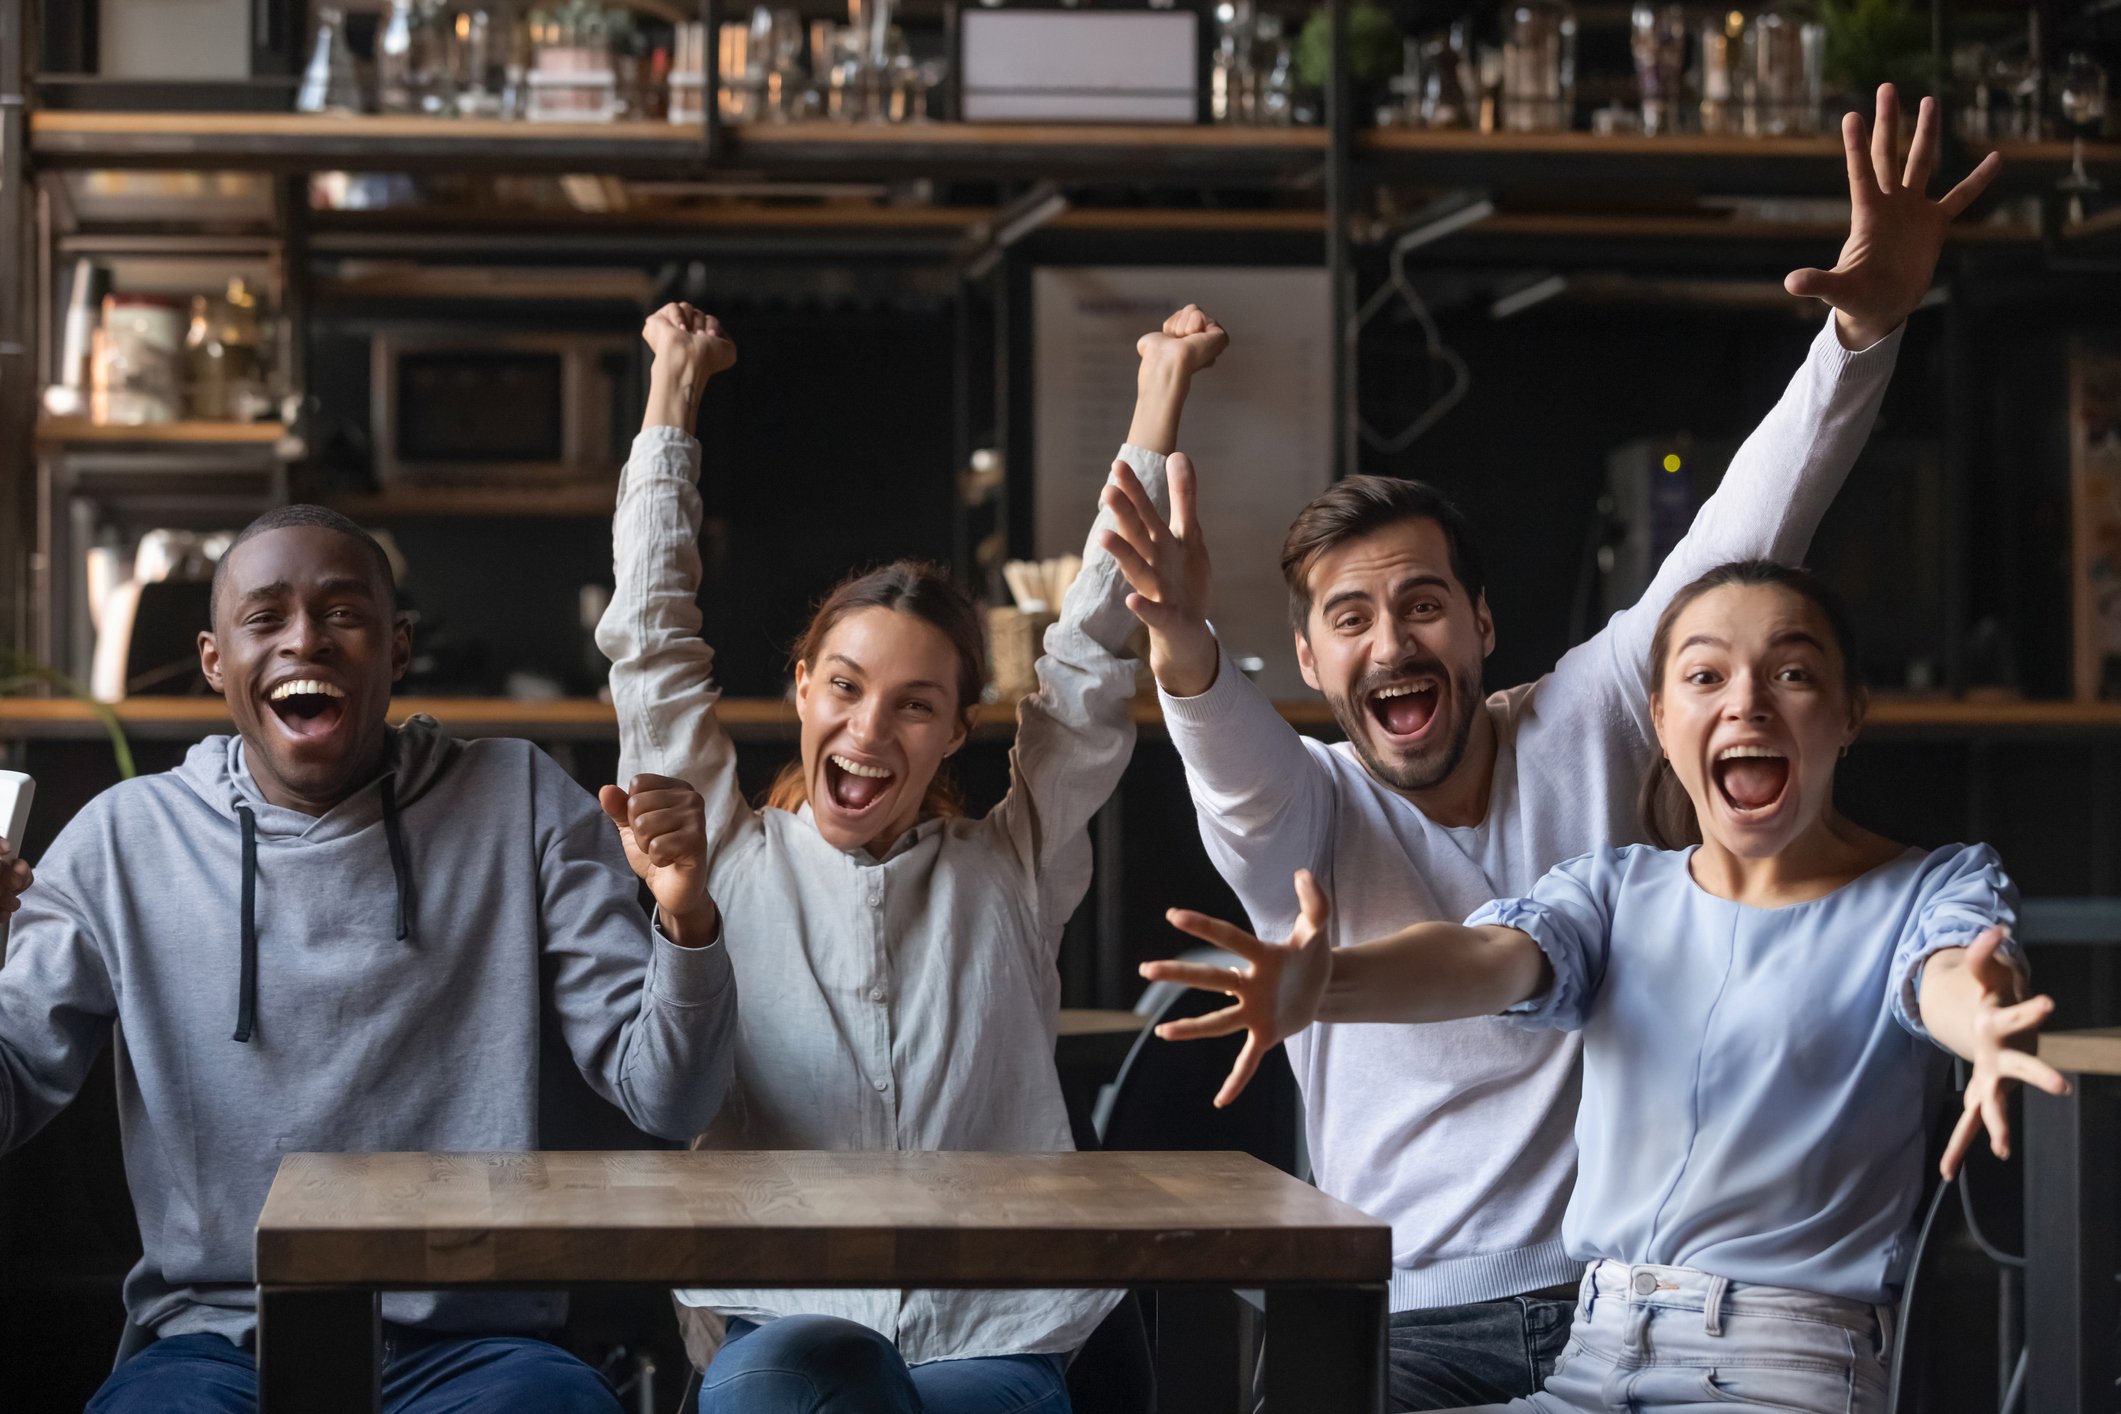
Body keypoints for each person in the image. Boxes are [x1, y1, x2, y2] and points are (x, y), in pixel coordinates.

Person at [1093, 85, 2001, 1409]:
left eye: (1420, 604)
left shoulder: (1580, 710)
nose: (1392, 642)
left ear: (1479, 623)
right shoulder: (1303, 803)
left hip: (1614, 1296)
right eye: (1349, 620)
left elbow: (1742, 540)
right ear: (1311, 663)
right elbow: (1225, 748)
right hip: (1394, 1308)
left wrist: (1860, 333)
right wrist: (1175, 632)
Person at [1143, 558, 2065, 1414]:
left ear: (1848, 712)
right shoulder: (1616, 890)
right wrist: (1327, 983)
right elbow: (1483, 958)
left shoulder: (1928, 888)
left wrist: (1977, 1018)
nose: (1746, 702)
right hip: (1589, 1361)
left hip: (1783, 1368)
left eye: (1790, 673)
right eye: (1705, 677)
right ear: (1662, 721)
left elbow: (1948, 972)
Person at [597, 300, 1227, 1413]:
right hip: (781, 1317)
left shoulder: (1013, 866)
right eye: (843, 688)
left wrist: (1158, 394)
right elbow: (651, 640)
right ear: (801, 690)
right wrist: (671, 394)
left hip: (997, 1322)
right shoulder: (727, 853)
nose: (869, 731)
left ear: (955, 731)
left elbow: (1085, 662)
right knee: (797, 1388)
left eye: (914, 705)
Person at [0, 504, 738, 1413]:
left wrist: (686, 918)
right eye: (265, 618)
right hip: (216, 1341)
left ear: (397, 649)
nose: (304, 640)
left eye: (342, 614)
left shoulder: (522, 801)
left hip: (482, 1345)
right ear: (213, 661)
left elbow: (669, 1099)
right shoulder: (122, 840)